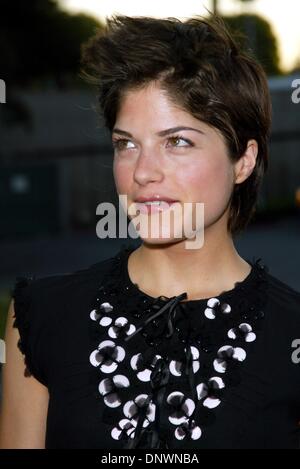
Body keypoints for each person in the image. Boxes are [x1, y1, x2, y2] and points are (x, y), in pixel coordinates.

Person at [0, 14, 300, 450]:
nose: (142, 172)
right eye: (127, 144)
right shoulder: (39, 318)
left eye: (177, 141)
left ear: (244, 160)